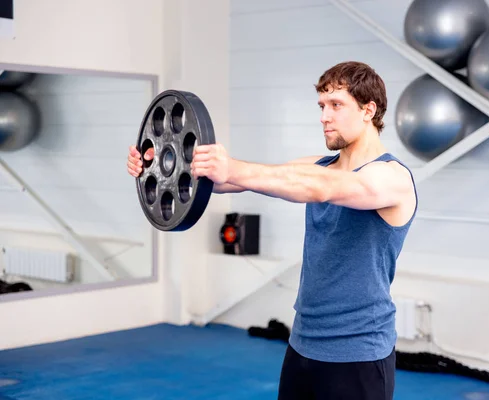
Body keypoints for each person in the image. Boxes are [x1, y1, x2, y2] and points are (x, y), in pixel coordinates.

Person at [127, 61, 417, 400]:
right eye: (322, 106)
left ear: (369, 110)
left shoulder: (391, 177)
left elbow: (322, 189)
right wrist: (162, 164)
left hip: (359, 354)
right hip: (303, 345)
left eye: (336, 105)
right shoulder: (318, 166)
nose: (324, 116)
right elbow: (236, 181)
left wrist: (234, 168)